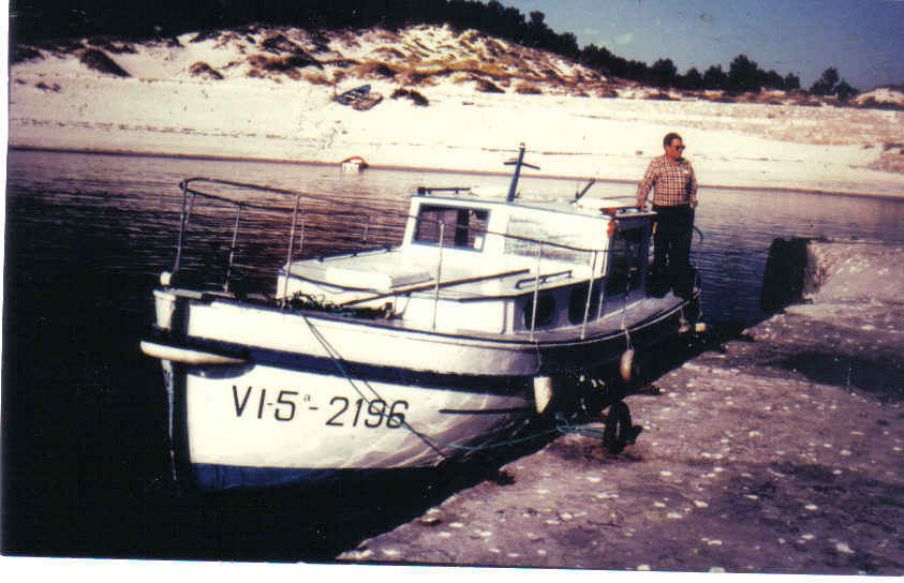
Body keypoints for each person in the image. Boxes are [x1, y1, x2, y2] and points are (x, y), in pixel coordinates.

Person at [636, 132, 698, 298]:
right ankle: (658, 288)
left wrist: (692, 198)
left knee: (681, 252)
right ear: (667, 147)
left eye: (682, 147)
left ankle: (680, 289)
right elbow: (646, 183)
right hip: (663, 213)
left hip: (683, 214)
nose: (681, 151)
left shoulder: (686, 165)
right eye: (677, 147)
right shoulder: (657, 164)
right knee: (661, 251)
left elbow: (693, 185)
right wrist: (641, 199)